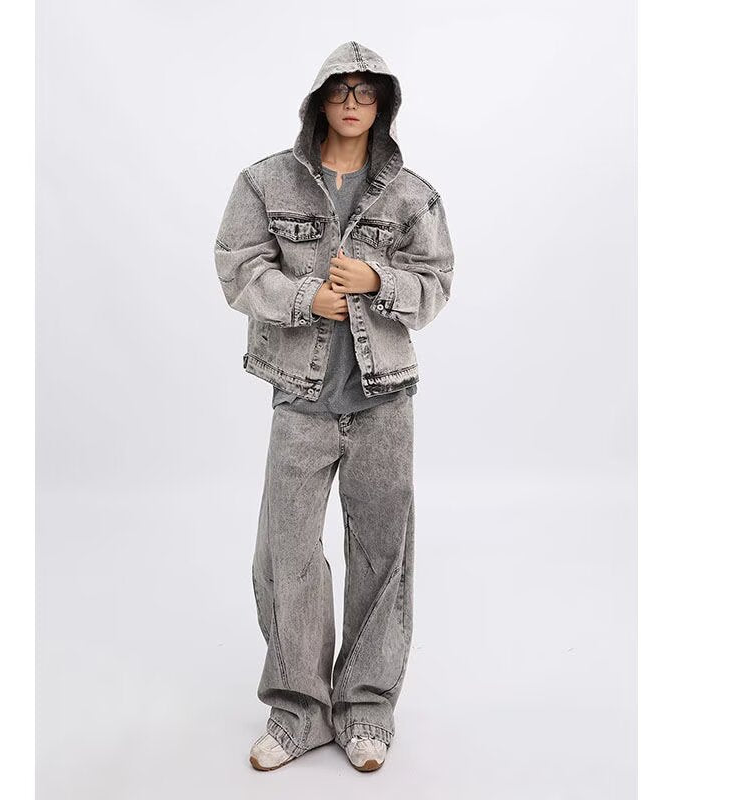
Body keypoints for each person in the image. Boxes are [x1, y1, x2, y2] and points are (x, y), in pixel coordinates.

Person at [214, 40, 454, 772]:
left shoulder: (412, 196)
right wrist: (301, 298)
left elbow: (436, 285)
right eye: (341, 90)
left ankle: (367, 711)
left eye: (366, 92)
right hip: (300, 398)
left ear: (383, 104)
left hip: (384, 400)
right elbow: (238, 266)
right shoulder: (265, 182)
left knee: (382, 556)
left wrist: (379, 280)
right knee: (284, 555)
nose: (353, 103)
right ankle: (299, 712)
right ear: (319, 99)